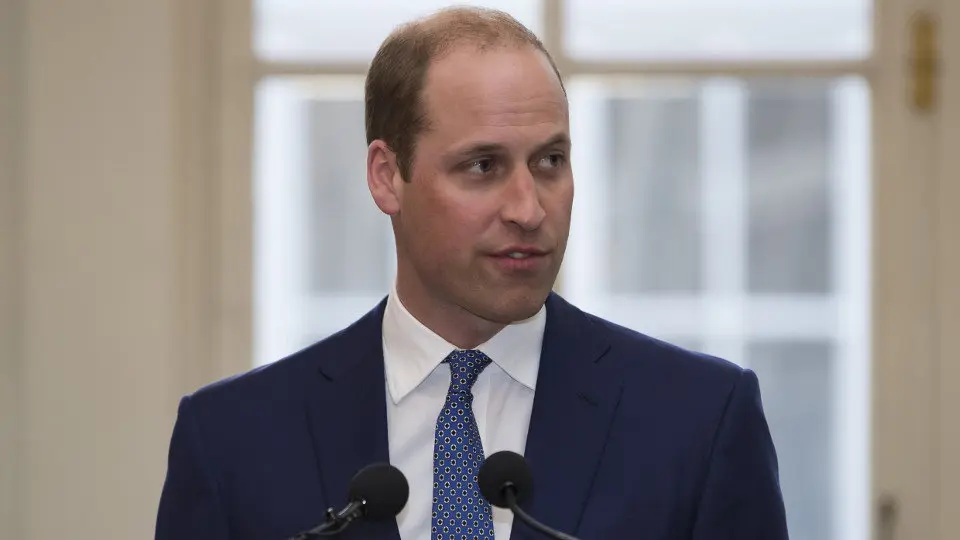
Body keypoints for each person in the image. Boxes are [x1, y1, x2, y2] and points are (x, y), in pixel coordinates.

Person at [155, 6, 789, 540]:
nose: (528, 208)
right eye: (483, 166)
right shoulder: (232, 442)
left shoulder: (701, 422)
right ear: (386, 176)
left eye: (550, 160)